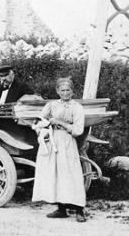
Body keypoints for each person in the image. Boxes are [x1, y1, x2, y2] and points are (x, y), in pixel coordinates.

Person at [31, 77, 87, 222]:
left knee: (71, 174)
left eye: (68, 90)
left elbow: (78, 130)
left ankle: (79, 209)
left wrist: (60, 123)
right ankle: (61, 209)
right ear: (57, 91)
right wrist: (41, 126)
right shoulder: (51, 105)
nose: (65, 93)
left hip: (67, 142)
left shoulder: (77, 107)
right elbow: (37, 120)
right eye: (62, 90)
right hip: (53, 141)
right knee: (56, 174)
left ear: (72, 91)